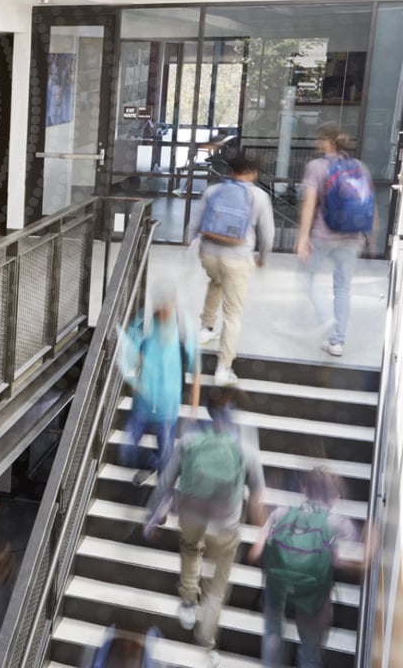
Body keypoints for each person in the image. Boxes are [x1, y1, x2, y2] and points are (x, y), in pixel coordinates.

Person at [145, 387, 266, 667]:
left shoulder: (190, 437)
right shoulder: (244, 444)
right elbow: (258, 490)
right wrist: (263, 529)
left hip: (190, 513)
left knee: (189, 549)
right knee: (217, 586)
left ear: (209, 413)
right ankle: (206, 641)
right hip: (225, 522)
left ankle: (188, 601)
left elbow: (166, 479)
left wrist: (153, 513)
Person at [249, 467, 360, 668]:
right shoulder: (341, 525)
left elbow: (255, 554)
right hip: (313, 600)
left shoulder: (280, 514)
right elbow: (347, 566)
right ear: (335, 497)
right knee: (310, 655)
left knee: (272, 642)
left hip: (278, 593)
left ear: (304, 490)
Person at [189, 153, 275, 386]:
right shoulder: (259, 196)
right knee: (233, 314)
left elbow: (195, 222)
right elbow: (267, 235)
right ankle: (223, 369)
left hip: (210, 255)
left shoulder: (213, 191)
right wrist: (263, 257)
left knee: (216, 281)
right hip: (237, 258)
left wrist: (194, 245)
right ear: (254, 173)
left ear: (231, 170)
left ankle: (205, 328)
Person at [296, 123, 373, 358]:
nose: (318, 143)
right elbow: (369, 202)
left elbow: (309, 203)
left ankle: (327, 319)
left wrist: (302, 238)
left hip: (323, 234)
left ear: (327, 141)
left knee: (306, 279)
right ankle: (337, 341)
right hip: (352, 237)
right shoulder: (359, 166)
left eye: (320, 139)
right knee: (343, 287)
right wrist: (370, 236)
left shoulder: (316, 167)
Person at [117, 283, 201, 486]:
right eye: (159, 307)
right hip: (142, 405)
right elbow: (128, 355)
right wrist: (134, 374)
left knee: (166, 459)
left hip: (168, 407)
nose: (162, 312)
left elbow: (195, 368)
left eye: (167, 307)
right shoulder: (143, 323)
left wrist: (194, 405)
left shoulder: (183, 326)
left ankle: (161, 504)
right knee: (126, 451)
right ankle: (150, 462)